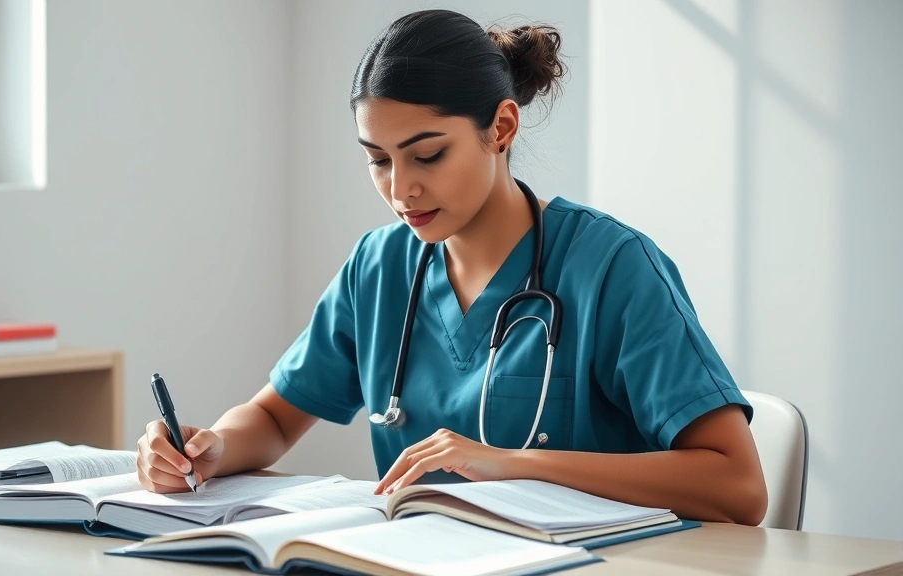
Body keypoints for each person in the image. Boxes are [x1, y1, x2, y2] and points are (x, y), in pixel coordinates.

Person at [137, 9, 767, 525]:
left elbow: (738, 486)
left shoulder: (612, 268)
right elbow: (275, 417)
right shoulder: (379, 267)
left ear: (501, 126)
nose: (400, 190)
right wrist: (211, 448)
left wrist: (510, 463)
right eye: (379, 160)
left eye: (428, 155)